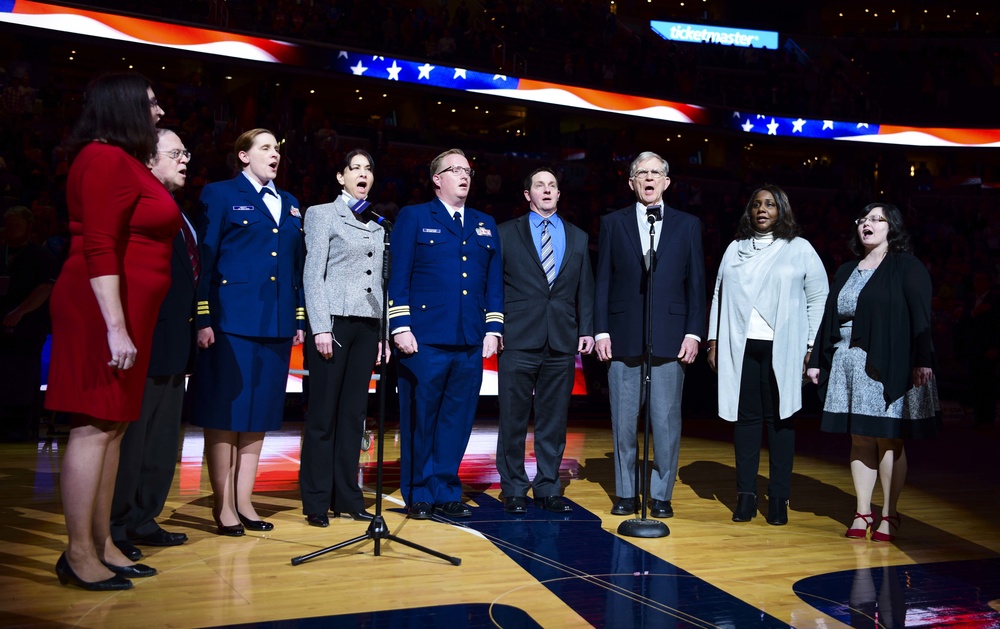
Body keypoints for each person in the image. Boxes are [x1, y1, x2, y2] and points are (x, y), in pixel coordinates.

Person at [45, 71, 175, 590]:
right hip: (100, 311)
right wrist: (116, 327)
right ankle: (78, 554)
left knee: (112, 428)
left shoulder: (120, 161)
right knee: (93, 427)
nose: (159, 111)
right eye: (150, 103)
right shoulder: (102, 159)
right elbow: (100, 246)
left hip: (123, 315)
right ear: (121, 107)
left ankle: (103, 544)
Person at [190, 128, 305, 536]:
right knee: (225, 413)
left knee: (259, 416)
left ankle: (244, 501)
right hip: (230, 321)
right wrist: (203, 316)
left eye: (278, 148)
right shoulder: (219, 194)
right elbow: (205, 258)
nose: (275, 154)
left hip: (275, 322)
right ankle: (222, 505)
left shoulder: (290, 203)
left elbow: (294, 268)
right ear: (243, 156)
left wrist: (298, 318)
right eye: (266, 147)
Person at [807, 203, 941, 542]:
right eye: (863, 219)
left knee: (888, 438)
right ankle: (862, 511)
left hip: (890, 361)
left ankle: (889, 514)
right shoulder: (847, 269)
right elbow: (829, 316)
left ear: (891, 228)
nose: (867, 224)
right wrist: (816, 361)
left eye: (876, 219)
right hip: (848, 362)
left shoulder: (906, 266)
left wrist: (922, 359)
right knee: (861, 438)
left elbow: (920, 315)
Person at [389, 148, 503, 519]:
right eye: (455, 170)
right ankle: (419, 492)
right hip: (424, 339)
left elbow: (493, 283)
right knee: (420, 419)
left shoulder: (485, 223)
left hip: (469, 339)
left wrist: (493, 327)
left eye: (468, 170)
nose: (464, 175)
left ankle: (446, 488)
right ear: (437, 179)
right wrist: (400, 324)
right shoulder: (415, 216)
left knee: (457, 420)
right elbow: (399, 275)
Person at [706, 185, 828, 525]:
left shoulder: (799, 249)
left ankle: (778, 498)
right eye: (757, 204)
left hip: (785, 347)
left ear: (782, 211)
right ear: (749, 211)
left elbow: (819, 297)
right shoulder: (735, 249)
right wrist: (714, 340)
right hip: (740, 346)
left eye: (770, 204)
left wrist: (810, 347)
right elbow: (717, 293)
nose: (763, 209)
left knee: (781, 422)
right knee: (745, 424)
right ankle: (745, 497)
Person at [594, 151, 705, 519]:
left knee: (666, 421)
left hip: (672, 335)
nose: (649, 178)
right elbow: (604, 280)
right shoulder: (613, 222)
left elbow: (696, 285)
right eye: (642, 173)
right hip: (623, 333)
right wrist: (601, 329)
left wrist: (694, 332)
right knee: (624, 420)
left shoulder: (688, 224)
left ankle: (661, 495)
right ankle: (626, 492)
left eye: (656, 172)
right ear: (631, 182)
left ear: (667, 181)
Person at [110, 130, 196, 561]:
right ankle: (117, 524)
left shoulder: (179, 213)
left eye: (186, 153)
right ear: (147, 159)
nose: (185, 160)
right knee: (132, 441)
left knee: (162, 441)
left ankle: (145, 517)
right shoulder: (136, 204)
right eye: (175, 153)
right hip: (142, 340)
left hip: (173, 343)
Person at [496, 167, 595, 515]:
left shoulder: (578, 237)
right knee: (513, 418)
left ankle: (549, 487)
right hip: (518, 336)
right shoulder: (505, 233)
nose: (547, 189)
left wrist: (587, 329)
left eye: (553, 184)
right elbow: (493, 286)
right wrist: (494, 327)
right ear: (528, 194)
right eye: (540, 184)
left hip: (562, 340)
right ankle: (513, 488)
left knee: (554, 419)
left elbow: (587, 288)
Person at [300, 149, 386, 527]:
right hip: (332, 323)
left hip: (367, 325)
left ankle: (347, 496)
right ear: (341, 177)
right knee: (323, 416)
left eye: (368, 169)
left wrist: (382, 333)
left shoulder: (379, 223)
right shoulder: (321, 214)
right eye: (355, 168)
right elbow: (311, 274)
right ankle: (317, 499)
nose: (363, 174)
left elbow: (381, 282)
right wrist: (319, 326)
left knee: (353, 416)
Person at [0, 206, 57, 441]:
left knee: (23, 375)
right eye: (8, 225)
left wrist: (19, 312)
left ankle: (21, 427)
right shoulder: (2, 252)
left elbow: (46, 287)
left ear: (29, 228)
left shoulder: (40, 255)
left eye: (17, 226)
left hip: (28, 325)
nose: (12, 230)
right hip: (3, 323)